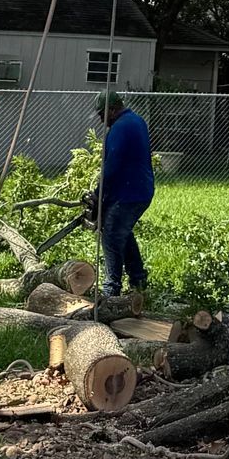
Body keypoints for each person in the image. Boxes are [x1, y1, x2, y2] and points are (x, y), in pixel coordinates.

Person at [92, 88, 155, 301]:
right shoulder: (136, 121)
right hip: (139, 190)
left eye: (102, 114)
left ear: (111, 110)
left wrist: (99, 195)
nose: (101, 120)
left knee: (110, 233)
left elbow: (112, 168)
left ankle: (111, 289)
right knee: (123, 232)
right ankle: (138, 279)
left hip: (130, 192)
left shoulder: (120, 128)